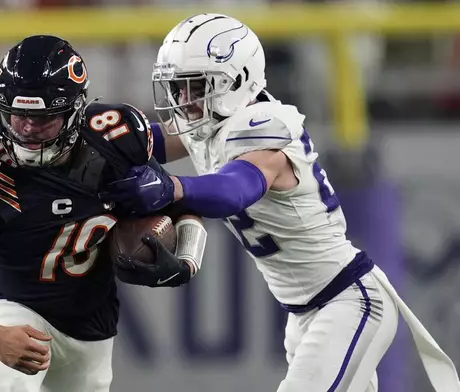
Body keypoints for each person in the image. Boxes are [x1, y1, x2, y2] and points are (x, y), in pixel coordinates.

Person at [101, 14, 460, 392]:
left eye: (195, 87)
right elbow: (143, 142)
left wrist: (171, 187)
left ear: (236, 81)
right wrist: (86, 141)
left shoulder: (263, 125)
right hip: (303, 312)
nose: (185, 101)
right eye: (178, 89)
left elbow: (235, 189)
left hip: (347, 300)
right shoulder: (212, 122)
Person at [0, 35, 207, 392]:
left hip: (92, 328)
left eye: (43, 118)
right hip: (13, 310)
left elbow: (181, 199)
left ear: (75, 111)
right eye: (17, 115)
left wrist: (188, 259)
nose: (27, 129)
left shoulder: (112, 139)